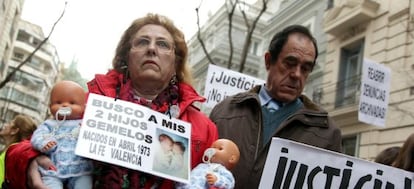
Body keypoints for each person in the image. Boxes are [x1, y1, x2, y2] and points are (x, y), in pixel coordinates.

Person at [209, 25, 342, 188]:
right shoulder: (225, 111)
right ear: (268, 61)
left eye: (305, 68)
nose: (297, 74)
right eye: (290, 63)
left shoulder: (326, 132)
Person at [30, 80, 93, 189]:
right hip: (54, 170)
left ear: (83, 107)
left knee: (85, 184)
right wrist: (44, 143)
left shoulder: (85, 124)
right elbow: (37, 136)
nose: (64, 105)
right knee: (50, 184)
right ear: (50, 107)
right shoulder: (49, 124)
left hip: (81, 170)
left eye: (72, 103)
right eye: (58, 102)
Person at [0, 115, 37, 186]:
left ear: (14, 131)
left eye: (10, 123)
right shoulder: (17, 152)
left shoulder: (11, 153)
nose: (5, 125)